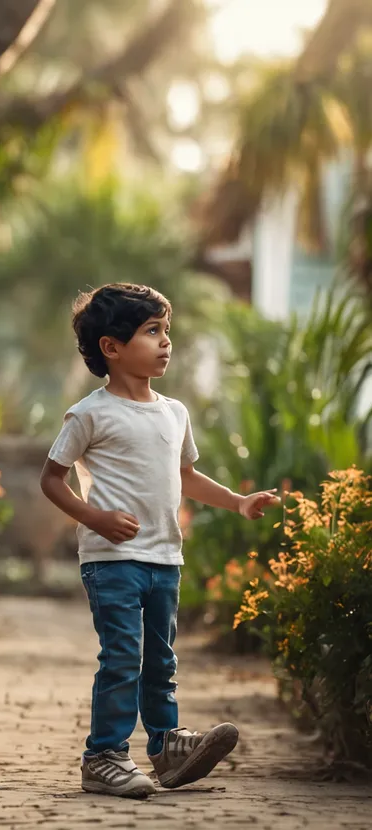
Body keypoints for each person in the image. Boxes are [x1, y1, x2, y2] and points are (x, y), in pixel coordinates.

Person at [40, 283, 280, 799]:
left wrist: (236, 501)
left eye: (166, 331)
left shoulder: (174, 413)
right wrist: (96, 518)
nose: (166, 342)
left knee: (161, 660)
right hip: (112, 560)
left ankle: (167, 747)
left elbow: (186, 475)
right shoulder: (90, 414)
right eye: (153, 332)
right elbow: (51, 479)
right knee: (123, 656)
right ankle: (103, 755)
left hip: (164, 556)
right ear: (112, 347)